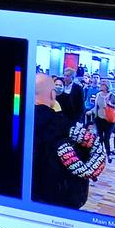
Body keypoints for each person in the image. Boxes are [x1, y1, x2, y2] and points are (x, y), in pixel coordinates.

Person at [33, 74, 90, 209]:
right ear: (53, 94)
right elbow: (84, 159)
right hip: (55, 194)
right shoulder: (63, 126)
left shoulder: (18, 119)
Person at [92, 81, 115, 162]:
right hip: (99, 119)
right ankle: (101, 154)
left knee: (106, 138)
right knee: (100, 137)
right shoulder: (98, 95)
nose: (101, 86)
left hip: (109, 120)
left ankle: (108, 154)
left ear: (107, 86)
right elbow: (96, 107)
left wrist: (110, 104)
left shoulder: (112, 96)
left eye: (102, 85)